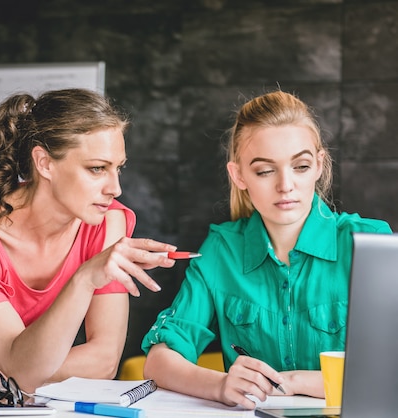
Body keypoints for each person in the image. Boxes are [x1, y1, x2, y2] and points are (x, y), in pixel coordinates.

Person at [0, 88, 179, 392]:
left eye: (118, 168)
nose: (115, 188)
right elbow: (24, 372)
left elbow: (104, 362)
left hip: (17, 355)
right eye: (97, 168)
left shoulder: (107, 221)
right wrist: (84, 278)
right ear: (44, 163)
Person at [141, 90, 392, 409]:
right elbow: (160, 359)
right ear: (239, 175)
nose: (285, 185)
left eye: (300, 166)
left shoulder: (368, 241)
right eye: (264, 170)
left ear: (318, 165)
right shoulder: (222, 249)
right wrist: (219, 385)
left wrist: (295, 382)